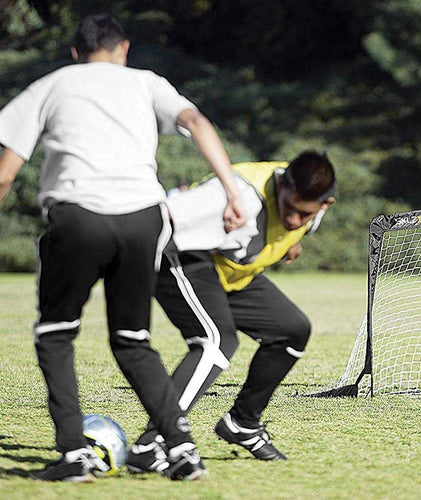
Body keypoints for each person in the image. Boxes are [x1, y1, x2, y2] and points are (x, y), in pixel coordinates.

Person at [0, 14, 246, 482]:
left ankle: (73, 457)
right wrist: (232, 192)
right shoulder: (148, 83)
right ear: (124, 48)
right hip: (144, 218)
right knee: (133, 340)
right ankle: (183, 451)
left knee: (56, 333)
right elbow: (195, 120)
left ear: (75, 52)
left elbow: (5, 172)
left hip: (78, 216)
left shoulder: (52, 84)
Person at [125, 150, 335, 473]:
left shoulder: (313, 204)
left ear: (324, 205)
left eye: (303, 215)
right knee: (216, 342)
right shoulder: (241, 196)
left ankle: (242, 423)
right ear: (280, 185)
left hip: (231, 273)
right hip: (181, 258)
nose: (294, 220)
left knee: (292, 330)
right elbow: (158, 217)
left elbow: (291, 228)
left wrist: (293, 241)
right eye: (289, 209)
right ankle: (151, 444)